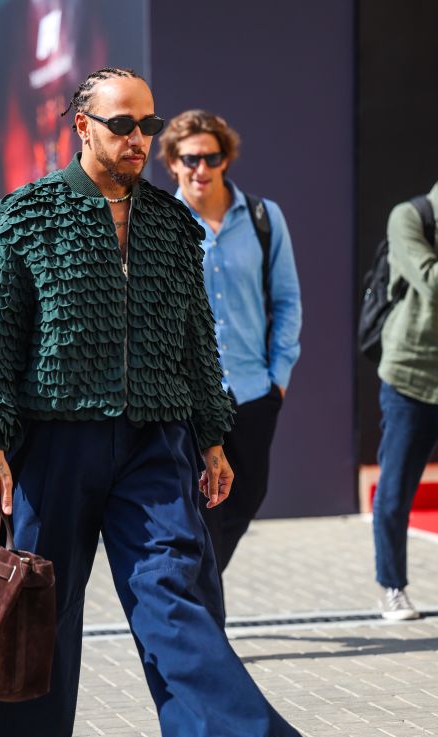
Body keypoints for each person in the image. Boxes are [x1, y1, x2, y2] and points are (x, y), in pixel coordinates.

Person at [0, 67, 323, 737]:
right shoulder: (27, 218)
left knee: (175, 584)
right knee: (36, 608)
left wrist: (211, 435)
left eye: (147, 125)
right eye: (122, 125)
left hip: (154, 438)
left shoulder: (170, 225)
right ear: (80, 124)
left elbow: (194, 342)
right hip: (48, 442)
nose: (138, 140)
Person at [159, 111, 302, 593]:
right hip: (188, 399)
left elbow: (286, 301)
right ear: (173, 163)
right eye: (190, 158)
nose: (201, 168)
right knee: (199, 511)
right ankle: (203, 617)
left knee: (246, 498)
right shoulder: (159, 224)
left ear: (226, 158)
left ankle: (200, 599)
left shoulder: (264, 218)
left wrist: (278, 374)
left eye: (211, 157)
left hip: (253, 389)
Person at [373, 182, 438, 620]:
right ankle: (392, 585)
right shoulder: (410, 217)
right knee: (395, 491)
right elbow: (431, 282)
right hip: (412, 375)